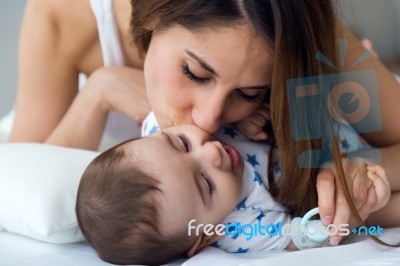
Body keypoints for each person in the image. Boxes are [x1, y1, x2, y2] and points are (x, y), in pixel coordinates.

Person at [10, 0, 400, 246]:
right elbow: (18, 181)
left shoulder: (304, 28)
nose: (209, 120)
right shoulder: (62, 16)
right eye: (195, 72)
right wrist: (98, 92)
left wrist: (364, 170)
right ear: (151, 14)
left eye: (250, 93)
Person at [76, 119, 392, 265]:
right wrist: (337, 221)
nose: (211, 153)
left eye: (183, 143)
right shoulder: (236, 231)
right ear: (205, 236)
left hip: (331, 124)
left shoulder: (156, 128)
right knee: (377, 208)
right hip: (339, 177)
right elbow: (298, 237)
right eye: (207, 183)